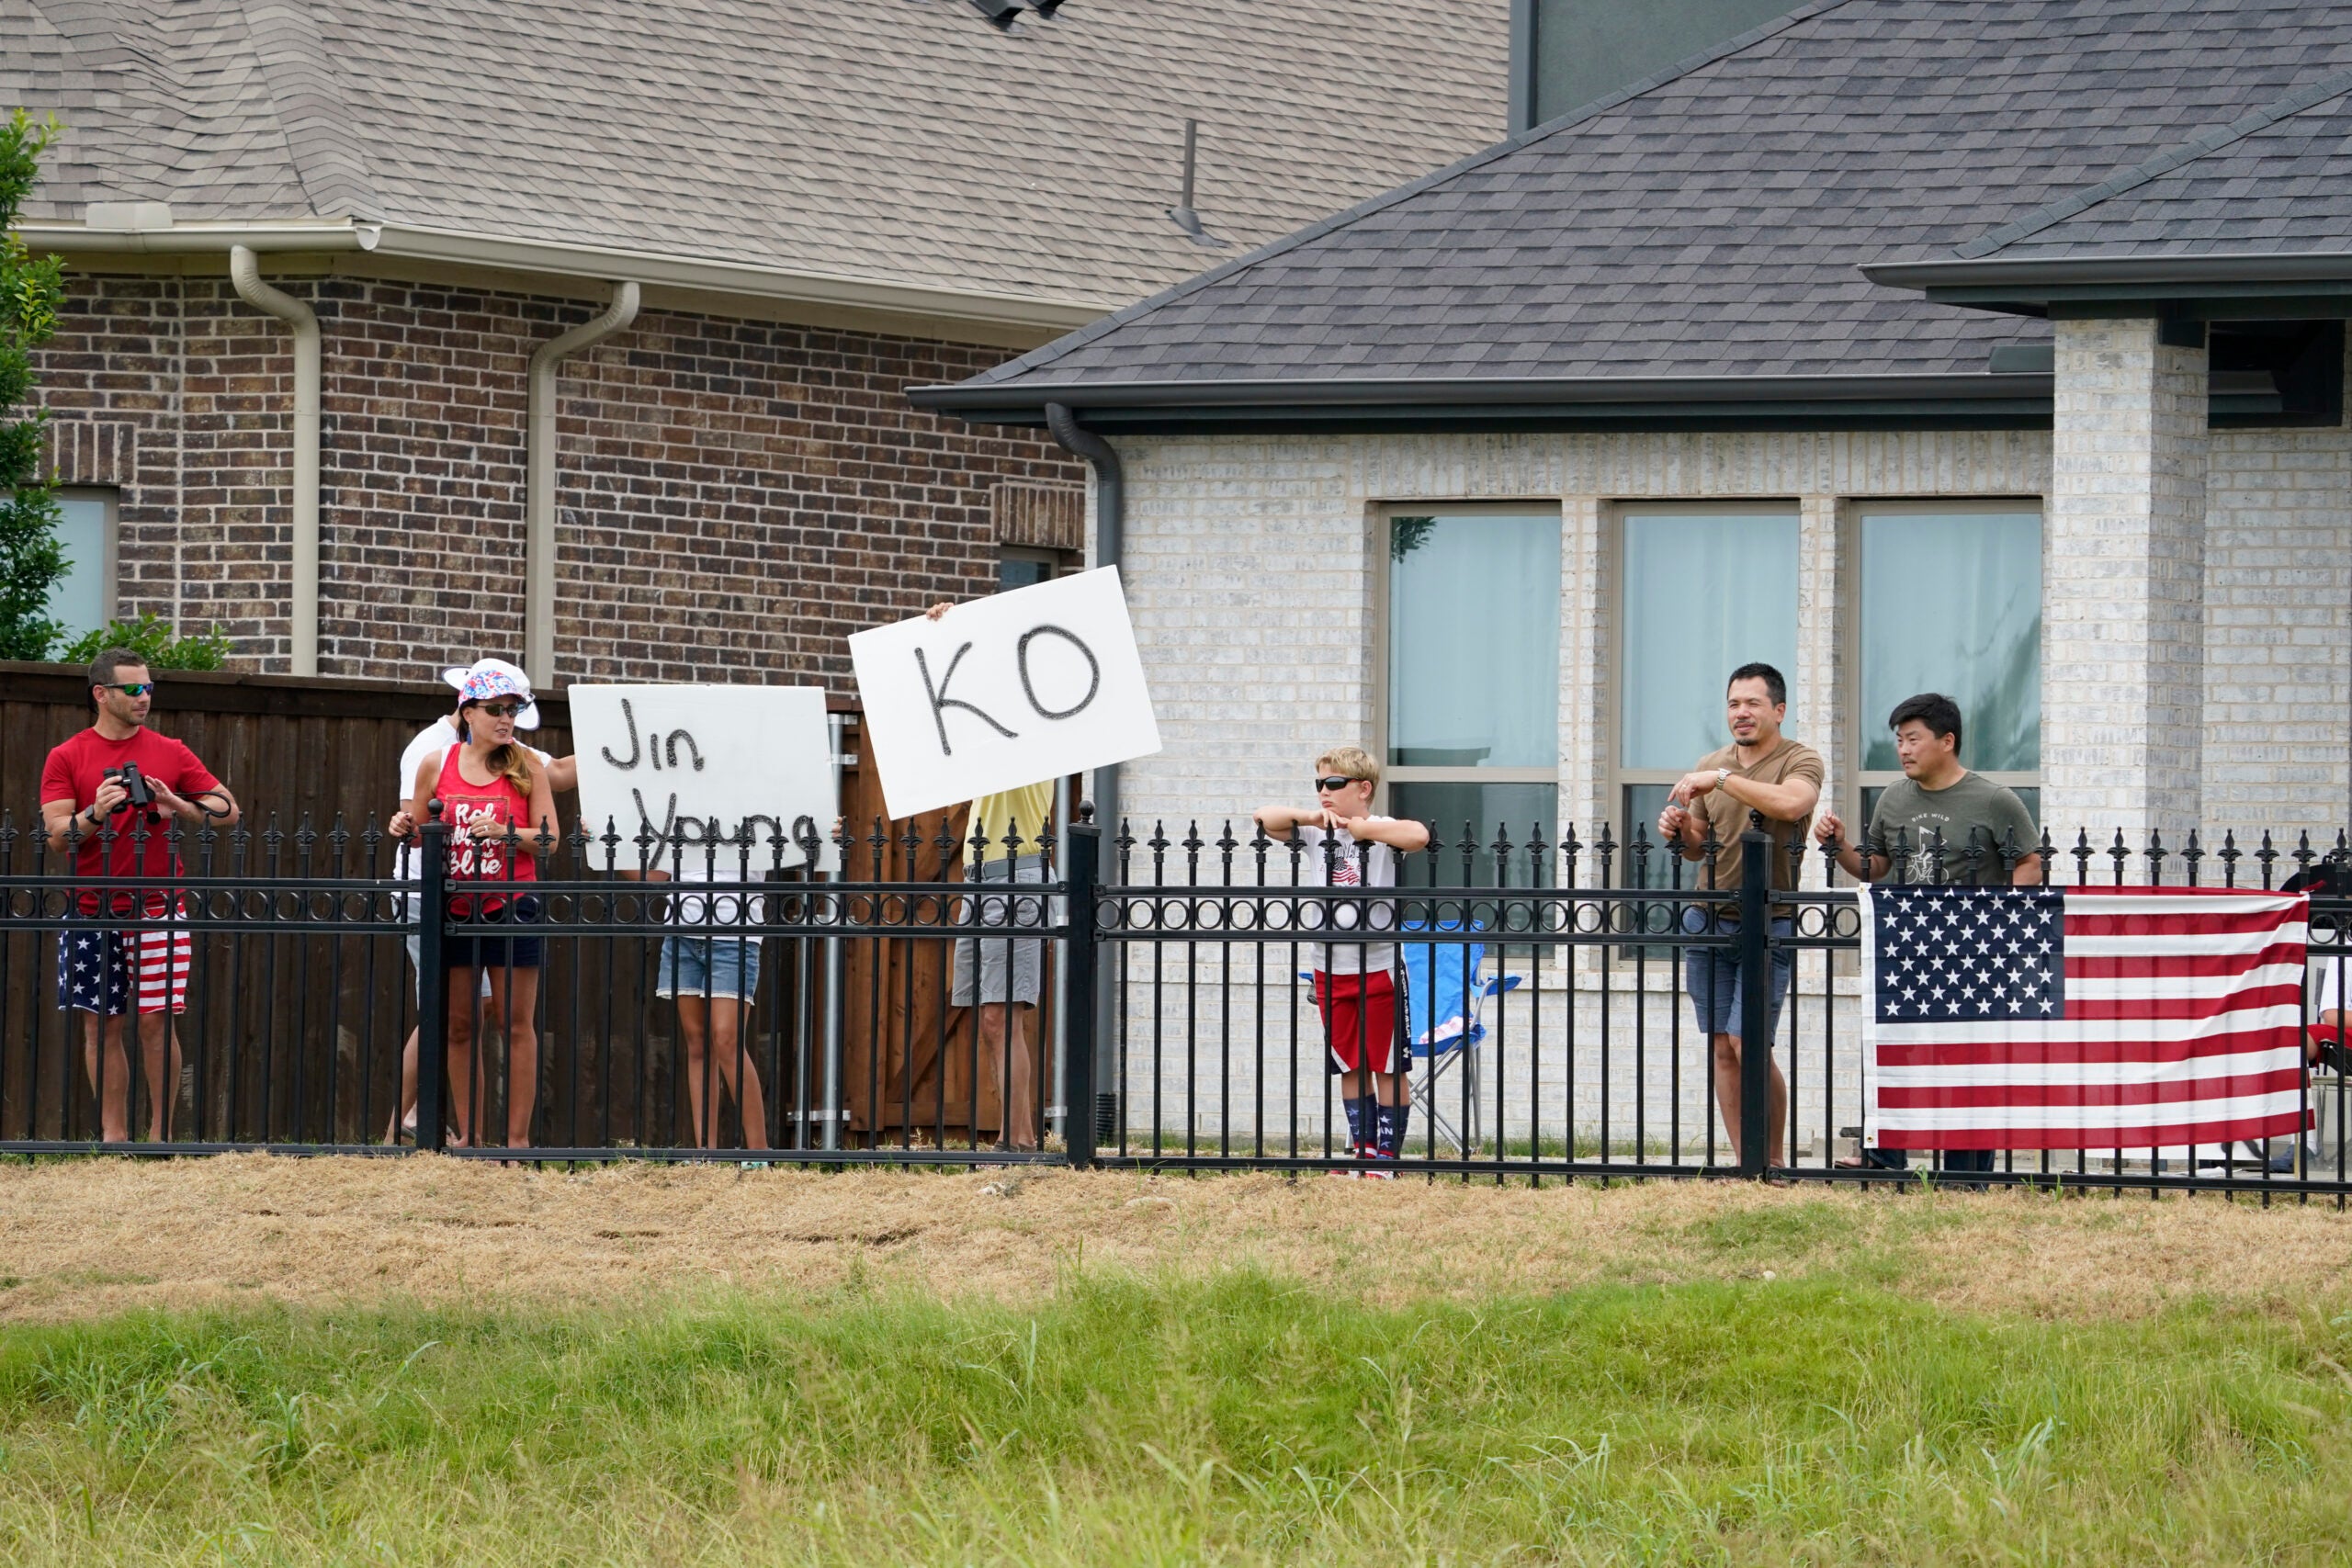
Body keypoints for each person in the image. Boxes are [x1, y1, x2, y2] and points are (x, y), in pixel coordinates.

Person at [1815, 692, 2041, 1178]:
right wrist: (1839, 847)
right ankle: (1883, 1159)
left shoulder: (1995, 800)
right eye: (1898, 740)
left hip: (1975, 954)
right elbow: (1874, 868)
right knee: (1895, 1053)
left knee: (1968, 1061)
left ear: (1947, 741)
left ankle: (1967, 1172)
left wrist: (2005, 920)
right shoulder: (1894, 799)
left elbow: (2029, 861)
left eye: (1913, 739)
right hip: (1907, 947)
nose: (1904, 749)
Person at [39, 648, 242, 1142]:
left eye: (149, 687)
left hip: (158, 909)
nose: (144, 696)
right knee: (101, 1028)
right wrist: (95, 813)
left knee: (157, 1024)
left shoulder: (169, 750)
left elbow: (228, 809)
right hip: (91, 911)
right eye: (133, 689)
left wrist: (179, 804)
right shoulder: (67, 755)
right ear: (101, 695)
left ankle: (161, 1136)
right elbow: (56, 835)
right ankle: (114, 1138)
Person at [383, 659, 573, 1144]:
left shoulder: (528, 765)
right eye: (495, 709)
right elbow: (424, 832)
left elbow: (550, 841)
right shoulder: (436, 763)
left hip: (513, 905)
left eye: (512, 710)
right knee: (460, 1025)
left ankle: (517, 1142)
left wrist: (510, 834)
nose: (506, 719)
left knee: (516, 1024)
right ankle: (470, 1138)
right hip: (456, 907)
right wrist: (403, 827)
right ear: (467, 712)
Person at [1657, 662, 1822, 1174]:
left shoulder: (1800, 759)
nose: (1741, 713)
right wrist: (1679, 828)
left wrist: (1723, 780)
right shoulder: (1713, 760)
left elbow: (1793, 805)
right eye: (1733, 704)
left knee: (1749, 1042)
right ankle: (1742, 1162)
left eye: (1752, 703)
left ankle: (1770, 1161)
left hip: (1767, 921)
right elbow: (1697, 848)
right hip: (1706, 919)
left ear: (1778, 710)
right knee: (1722, 1047)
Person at [1254, 747, 1431, 1173]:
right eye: (1319, 784)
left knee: (1386, 1064)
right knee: (1349, 1062)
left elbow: (1418, 836)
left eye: (1333, 784)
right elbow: (1263, 818)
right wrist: (1312, 818)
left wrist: (1364, 829)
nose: (1324, 792)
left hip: (1380, 965)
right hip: (1330, 967)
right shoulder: (1317, 831)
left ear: (1364, 788)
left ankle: (1386, 1158)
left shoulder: (1382, 829)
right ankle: (1362, 1151)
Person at [923, 599, 1056, 1152]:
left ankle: (1019, 1142)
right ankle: (1013, 1137)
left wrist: (963, 628)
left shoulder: (1027, 731)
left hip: (1015, 871)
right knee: (992, 1018)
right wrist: (947, 635)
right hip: (983, 872)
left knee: (1005, 1014)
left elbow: (992, 682)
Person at [624, 827, 775, 1156]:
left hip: (735, 932)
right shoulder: (682, 807)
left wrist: (826, 831)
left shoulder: (749, 800)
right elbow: (653, 875)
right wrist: (597, 846)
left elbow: (797, 840)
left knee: (727, 1040)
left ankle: (759, 1154)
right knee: (697, 1042)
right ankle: (705, 1152)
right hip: (682, 930)